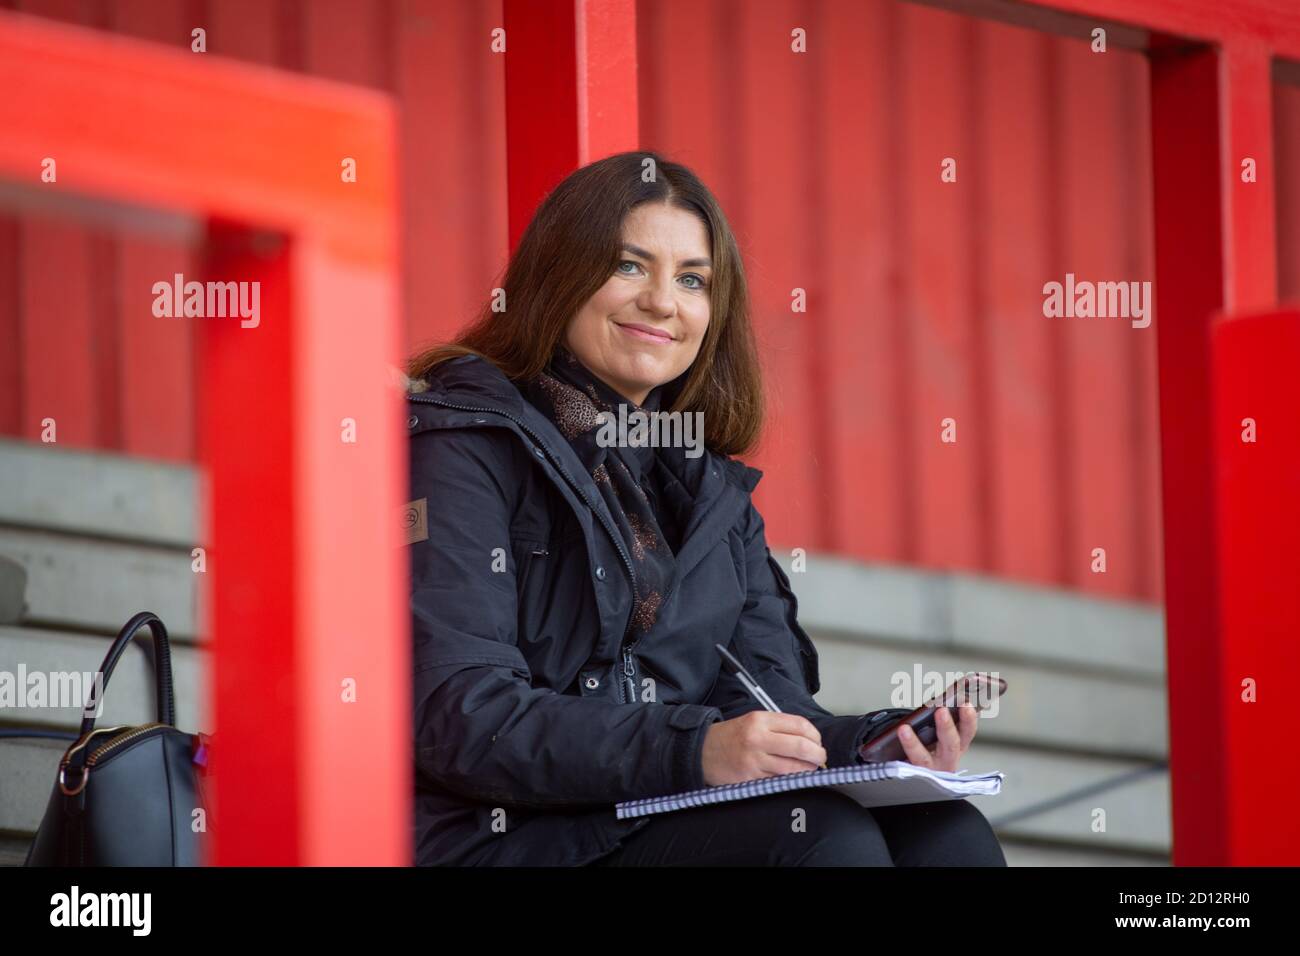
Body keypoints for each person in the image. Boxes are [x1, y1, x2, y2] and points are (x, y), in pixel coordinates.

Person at [405, 150, 1007, 867]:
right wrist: (692, 749)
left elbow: (772, 709)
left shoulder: (707, 489)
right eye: (630, 266)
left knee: (946, 832)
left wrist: (880, 745)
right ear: (557, 275)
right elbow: (460, 716)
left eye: (692, 280)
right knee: (821, 842)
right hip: (499, 834)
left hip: (645, 812)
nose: (664, 301)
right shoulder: (464, 444)